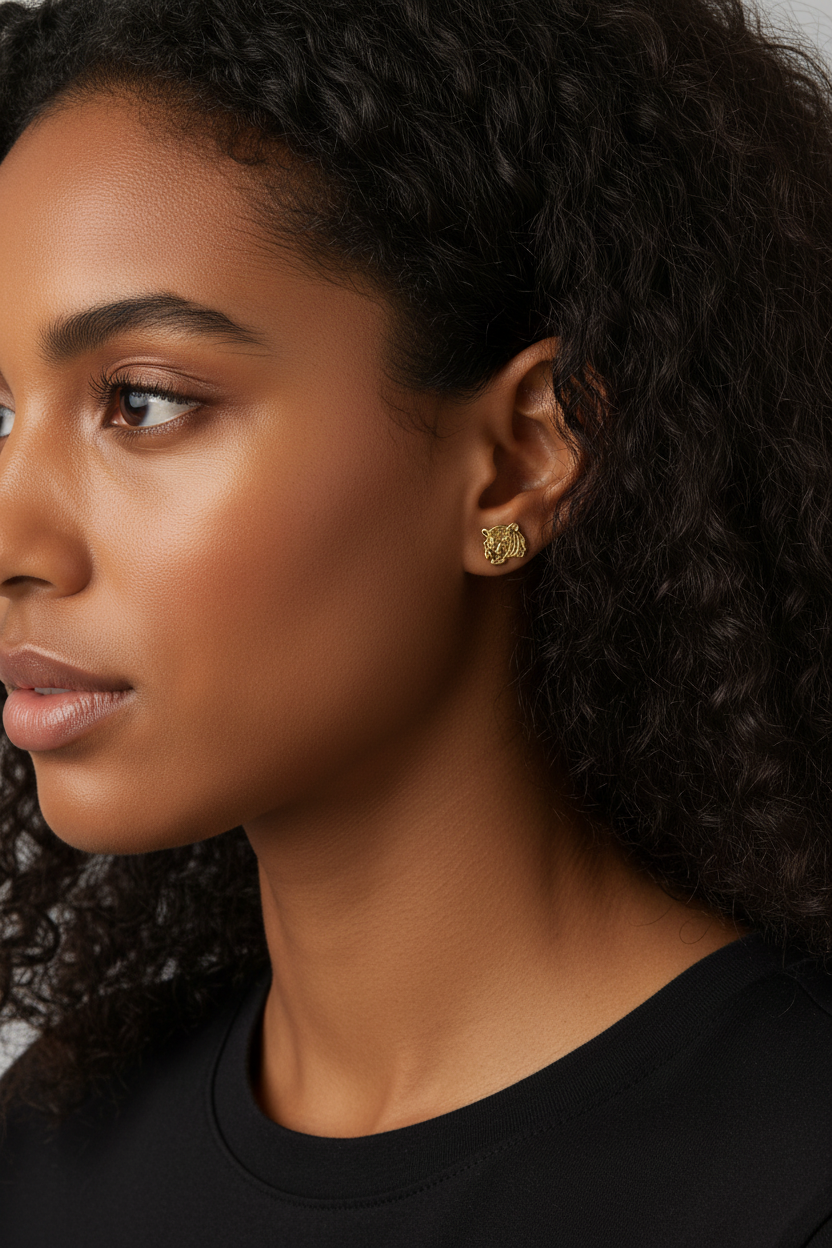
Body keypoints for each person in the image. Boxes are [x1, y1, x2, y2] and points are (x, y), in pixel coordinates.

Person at [0, 0, 829, 1242]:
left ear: (519, 459)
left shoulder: (792, 1175)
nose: (15, 541)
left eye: (145, 401)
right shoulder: (49, 1153)